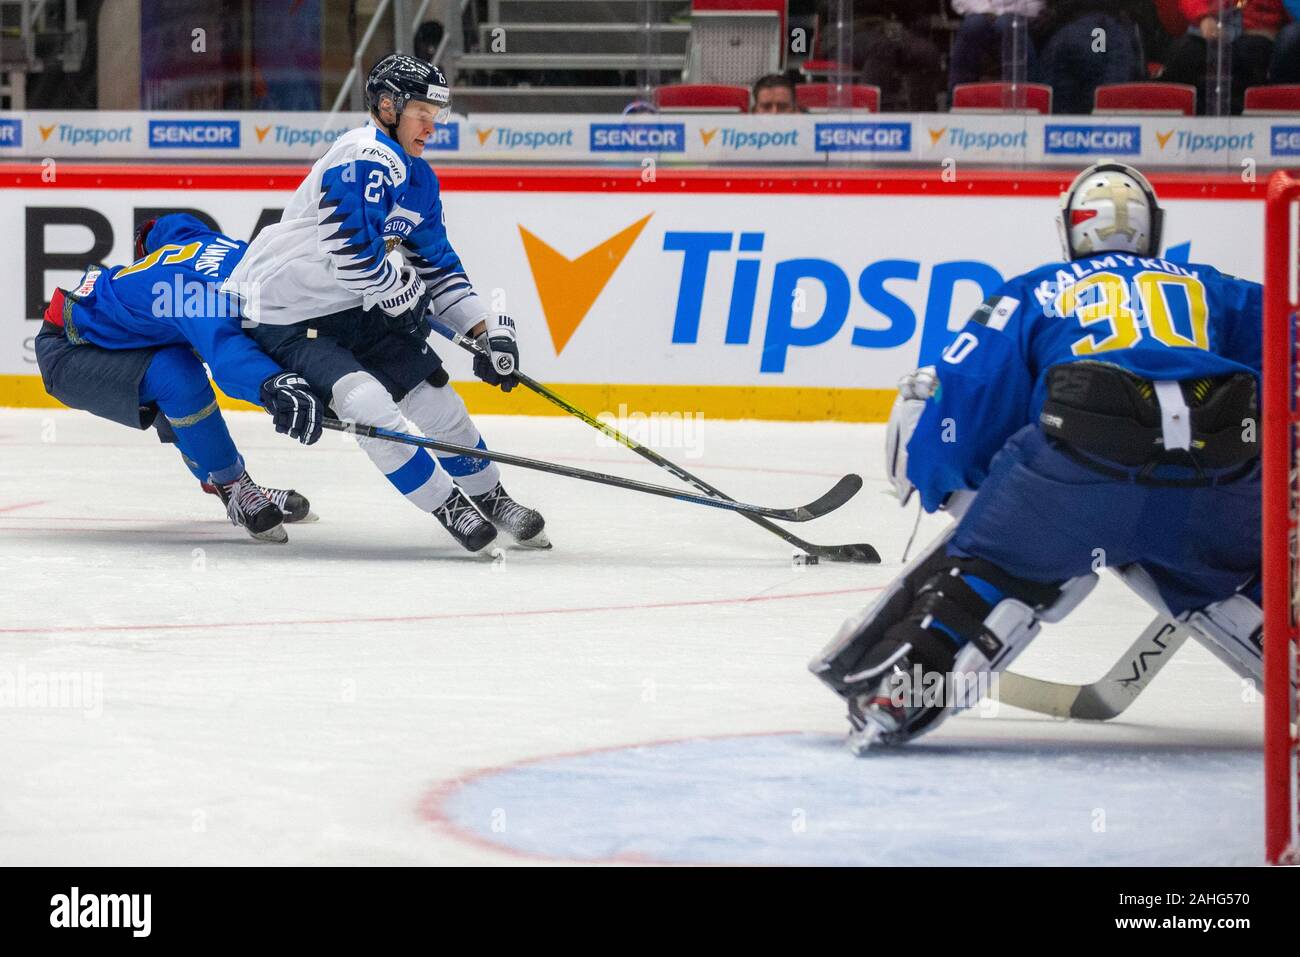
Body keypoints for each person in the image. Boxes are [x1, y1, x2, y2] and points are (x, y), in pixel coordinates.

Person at [810, 161, 1266, 751]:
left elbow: (964, 402)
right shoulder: (1215, 288)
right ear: (1153, 228)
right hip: (1216, 481)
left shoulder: (1037, 289)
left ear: (1070, 230)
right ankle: (1269, 615)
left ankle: (902, 686)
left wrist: (943, 481)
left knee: (996, 561)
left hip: (1080, 479)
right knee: (1248, 574)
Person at [226, 53, 548, 554]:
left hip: (355, 308)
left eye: (437, 115)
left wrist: (486, 332)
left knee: (437, 400)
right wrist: (399, 290)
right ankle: (450, 507)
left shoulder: (418, 179)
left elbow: (438, 266)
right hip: (288, 315)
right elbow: (349, 251)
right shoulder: (362, 154)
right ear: (386, 104)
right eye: (423, 112)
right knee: (366, 404)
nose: (432, 127)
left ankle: (493, 498)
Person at [35, 214, 324, 543]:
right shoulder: (200, 294)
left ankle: (223, 477)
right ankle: (233, 484)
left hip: (102, 320)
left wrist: (147, 240)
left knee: (174, 368)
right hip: (68, 350)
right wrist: (273, 383)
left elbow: (170, 228)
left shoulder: (223, 248)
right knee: (176, 374)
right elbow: (227, 356)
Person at [1161, 0, 1287, 113]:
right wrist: (1204, 18)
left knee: (1252, 52)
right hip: (1205, 31)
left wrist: (1264, 26)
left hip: (1252, 34)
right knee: (1184, 52)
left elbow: (1272, 10)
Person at [948, 1, 1044, 93]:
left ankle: (1028, 99)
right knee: (973, 26)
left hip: (1023, 22)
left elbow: (1034, 6)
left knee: (1007, 24)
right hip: (982, 18)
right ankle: (956, 103)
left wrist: (997, 12)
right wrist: (989, 11)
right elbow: (960, 3)